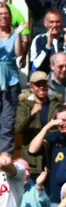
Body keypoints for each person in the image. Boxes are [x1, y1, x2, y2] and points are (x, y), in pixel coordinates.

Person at [0, 4, 25, 154]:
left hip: (11, 82)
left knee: (7, 123)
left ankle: (4, 158)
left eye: (5, 13)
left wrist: (17, 35)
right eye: (0, 13)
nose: (3, 16)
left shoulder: (15, 32)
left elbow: (17, 52)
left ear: (10, 16)